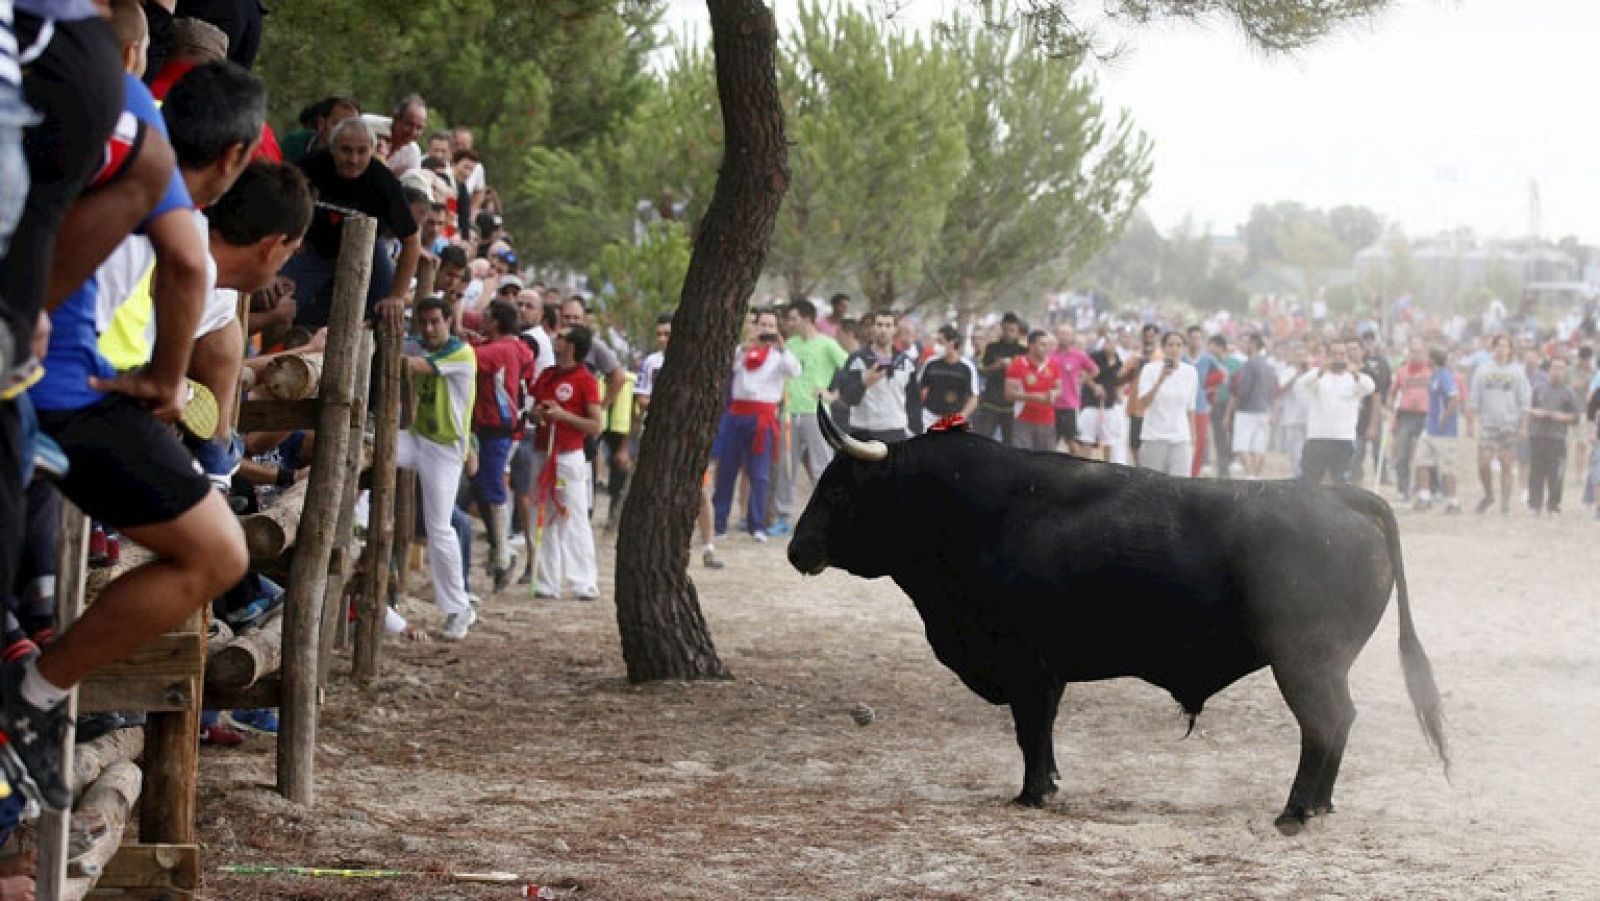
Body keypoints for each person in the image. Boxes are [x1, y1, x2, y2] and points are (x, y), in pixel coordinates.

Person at [285, 115, 419, 332]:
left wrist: (396, 296)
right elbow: (281, 206)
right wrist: (291, 239)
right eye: (346, 150)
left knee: (388, 316)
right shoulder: (309, 167)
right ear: (332, 148)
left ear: (372, 151)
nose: (354, 159)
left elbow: (412, 241)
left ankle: (377, 362)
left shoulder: (384, 182)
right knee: (279, 303)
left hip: (367, 253)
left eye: (362, 151)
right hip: (314, 248)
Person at [398, 296, 478, 639]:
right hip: (417, 438)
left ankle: (460, 609)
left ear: (449, 321)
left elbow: (415, 366)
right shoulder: (421, 345)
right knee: (365, 450)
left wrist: (387, 347)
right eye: (424, 323)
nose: (429, 329)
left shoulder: (460, 353)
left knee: (439, 528)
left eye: (436, 322)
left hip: (445, 450)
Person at [634, 312, 723, 569]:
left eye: (667, 334)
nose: (662, 339)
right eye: (659, 334)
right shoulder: (651, 363)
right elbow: (641, 399)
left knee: (702, 493)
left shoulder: (696, 361)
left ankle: (708, 547)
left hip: (692, 438)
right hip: (659, 437)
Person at [528, 325, 604, 598]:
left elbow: (596, 425)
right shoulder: (547, 375)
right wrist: (537, 414)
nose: (555, 340)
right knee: (543, 515)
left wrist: (563, 417)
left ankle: (584, 581)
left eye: (561, 337)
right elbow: (533, 410)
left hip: (568, 456)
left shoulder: (585, 380)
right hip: (542, 451)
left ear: (571, 347)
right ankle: (548, 581)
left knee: (573, 517)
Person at [712, 308, 799, 542]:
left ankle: (757, 524)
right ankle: (719, 523)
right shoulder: (742, 351)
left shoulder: (780, 356)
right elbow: (728, 367)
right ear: (756, 326)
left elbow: (795, 370)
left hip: (763, 418)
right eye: (763, 325)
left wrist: (781, 346)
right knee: (727, 470)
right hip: (737, 415)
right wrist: (748, 344)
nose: (767, 330)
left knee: (760, 474)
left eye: (771, 326)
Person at [467, 299, 533, 591]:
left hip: (494, 426)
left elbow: (465, 356)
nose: (480, 320)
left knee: (491, 487)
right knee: (484, 485)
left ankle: (504, 555)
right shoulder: (518, 348)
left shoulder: (496, 351)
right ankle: (500, 551)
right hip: (501, 426)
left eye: (485, 316)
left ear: (495, 323)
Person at [773, 298, 846, 536]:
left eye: (793, 318)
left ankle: (828, 517)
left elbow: (851, 367)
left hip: (817, 413)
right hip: (789, 413)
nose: (790, 323)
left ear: (806, 318)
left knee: (821, 467)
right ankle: (783, 517)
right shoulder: (791, 344)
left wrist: (834, 395)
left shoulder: (827, 344)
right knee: (786, 466)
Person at [1294, 340, 1375, 485]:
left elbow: (1369, 387)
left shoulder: (1354, 378)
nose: (1338, 358)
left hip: (1343, 438)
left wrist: (1355, 372)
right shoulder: (1318, 376)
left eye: (1342, 354)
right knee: (1310, 482)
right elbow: (1302, 383)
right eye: (1334, 354)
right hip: (1317, 437)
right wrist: (1321, 370)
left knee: (1340, 483)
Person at [1467, 334, 1530, 515]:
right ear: (1493, 348)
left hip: (1509, 424)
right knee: (1483, 463)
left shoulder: (1517, 372)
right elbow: (1474, 398)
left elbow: (1525, 401)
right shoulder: (1483, 370)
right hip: (1488, 424)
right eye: (1498, 346)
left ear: (1510, 349)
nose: (1501, 349)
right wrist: (1471, 423)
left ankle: (1505, 503)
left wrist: (1524, 425)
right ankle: (1489, 494)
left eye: (1505, 346)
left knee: (1506, 464)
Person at [838, 310, 917, 443]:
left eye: (888, 325)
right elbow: (846, 397)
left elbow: (914, 402)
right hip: (863, 431)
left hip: (895, 431)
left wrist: (917, 432)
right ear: (873, 328)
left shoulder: (906, 362)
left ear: (895, 329)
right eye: (879, 325)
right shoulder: (857, 360)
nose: (883, 330)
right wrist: (864, 383)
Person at [1134, 331, 1198, 476]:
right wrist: (1161, 378)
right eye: (1170, 345)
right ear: (1162, 348)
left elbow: (1190, 407)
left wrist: (1193, 437)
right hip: (1154, 437)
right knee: (1154, 485)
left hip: (1181, 438)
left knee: (1180, 486)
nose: (1174, 349)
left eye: (1178, 345)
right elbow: (1143, 403)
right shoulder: (1149, 369)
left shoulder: (1191, 372)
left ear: (1184, 349)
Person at [1526, 357, 1579, 515]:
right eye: (1555, 368)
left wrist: (1558, 416)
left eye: (1561, 368)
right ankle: (1535, 505)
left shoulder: (1569, 393)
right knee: (1536, 473)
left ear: (1565, 372)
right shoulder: (1538, 389)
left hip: (1558, 438)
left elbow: (1575, 417)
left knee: (1556, 474)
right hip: (1538, 436)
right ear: (1549, 370)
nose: (1557, 371)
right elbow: (1530, 410)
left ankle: (1553, 506)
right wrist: (1531, 423)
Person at [1412, 347, 1462, 514]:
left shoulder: (1445, 376)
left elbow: (1455, 398)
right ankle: (1425, 496)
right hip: (1430, 428)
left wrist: (1444, 417)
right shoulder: (1434, 376)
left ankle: (1453, 501)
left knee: (1447, 467)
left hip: (1445, 431)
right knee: (1421, 461)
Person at [1388, 339, 1432, 501]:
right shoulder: (1402, 371)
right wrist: (1391, 405)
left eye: (1419, 352)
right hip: (1405, 416)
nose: (1416, 355)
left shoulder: (1430, 371)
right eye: (1413, 352)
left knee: (1425, 455)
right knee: (1402, 454)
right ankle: (1402, 489)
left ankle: (1427, 488)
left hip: (1425, 416)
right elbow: (1392, 393)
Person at [1226, 333, 1274, 479]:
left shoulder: (1249, 364)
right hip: (1264, 410)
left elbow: (1243, 389)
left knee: (1242, 446)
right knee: (1259, 447)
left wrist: (1237, 399)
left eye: (1246, 343)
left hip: (1246, 411)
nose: (1244, 346)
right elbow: (1273, 390)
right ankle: (1256, 477)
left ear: (1253, 345)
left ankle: (1250, 476)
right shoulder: (1268, 365)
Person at [971, 312, 1025, 443]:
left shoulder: (1023, 351)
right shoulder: (991, 348)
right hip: (991, 404)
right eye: (1006, 329)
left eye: (1012, 330)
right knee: (984, 442)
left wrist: (1012, 368)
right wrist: (996, 366)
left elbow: (1027, 378)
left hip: (1012, 407)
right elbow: (981, 371)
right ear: (1001, 328)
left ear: (1018, 331)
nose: (1008, 333)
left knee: (1010, 445)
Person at [1005, 329, 1061, 452]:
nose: (1047, 348)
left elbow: (1058, 387)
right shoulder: (1017, 364)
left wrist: (1055, 393)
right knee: (1023, 460)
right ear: (1031, 346)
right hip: (1023, 420)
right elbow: (1009, 394)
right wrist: (1034, 397)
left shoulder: (1053, 364)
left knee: (1046, 461)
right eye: (1042, 345)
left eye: (1048, 345)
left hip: (1047, 420)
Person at [1048, 324, 1097, 456]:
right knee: (1051, 441)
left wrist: (1082, 380)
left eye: (1068, 334)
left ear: (1072, 337)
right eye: (1062, 334)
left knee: (1072, 442)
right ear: (1057, 336)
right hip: (1051, 404)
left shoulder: (1078, 355)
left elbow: (1094, 370)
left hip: (1069, 404)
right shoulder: (1050, 355)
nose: (1064, 337)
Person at [1351, 331, 1391, 484]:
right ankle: (1356, 476)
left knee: (1378, 446)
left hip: (1373, 409)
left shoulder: (1380, 363)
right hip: (1357, 414)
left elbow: (1383, 386)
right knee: (1357, 451)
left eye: (1370, 341)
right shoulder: (1354, 367)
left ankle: (1382, 474)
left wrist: (1385, 405)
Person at [919, 324, 978, 428]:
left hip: (954, 419)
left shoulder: (967, 367)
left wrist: (961, 417)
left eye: (940, 342)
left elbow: (974, 397)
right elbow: (921, 388)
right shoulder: (930, 363)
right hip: (929, 417)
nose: (937, 345)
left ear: (953, 343)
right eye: (937, 341)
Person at [384, 93, 426, 176]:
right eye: (409, 124)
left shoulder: (413, 152)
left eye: (419, 127)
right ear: (396, 119)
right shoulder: (368, 126)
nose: (413, 132)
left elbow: (411, 183)